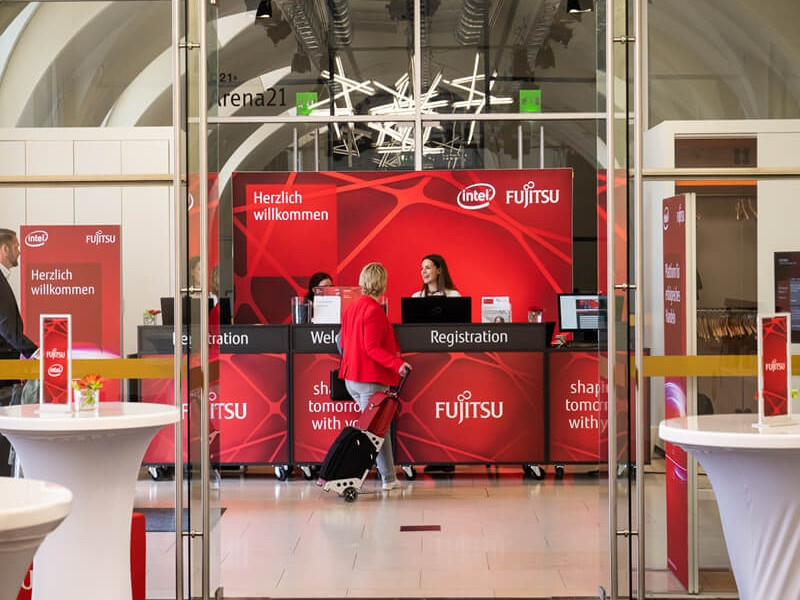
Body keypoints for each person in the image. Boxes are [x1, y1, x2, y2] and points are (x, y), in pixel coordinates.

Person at [339, 262, 411, 491]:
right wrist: (397, 364)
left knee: (375, 430)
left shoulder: (351, 308)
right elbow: (372, 349)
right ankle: (386, 479)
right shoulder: (375, 311)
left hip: (352, 378)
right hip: (369, 380)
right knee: (377, 432)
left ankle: (386, 477)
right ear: (382, 284)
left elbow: (341, 341)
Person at [0, 228, 38, 476]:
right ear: (4, 249)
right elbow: (7, 328)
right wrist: (36, 353)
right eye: (16, 246)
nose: (20, 251)